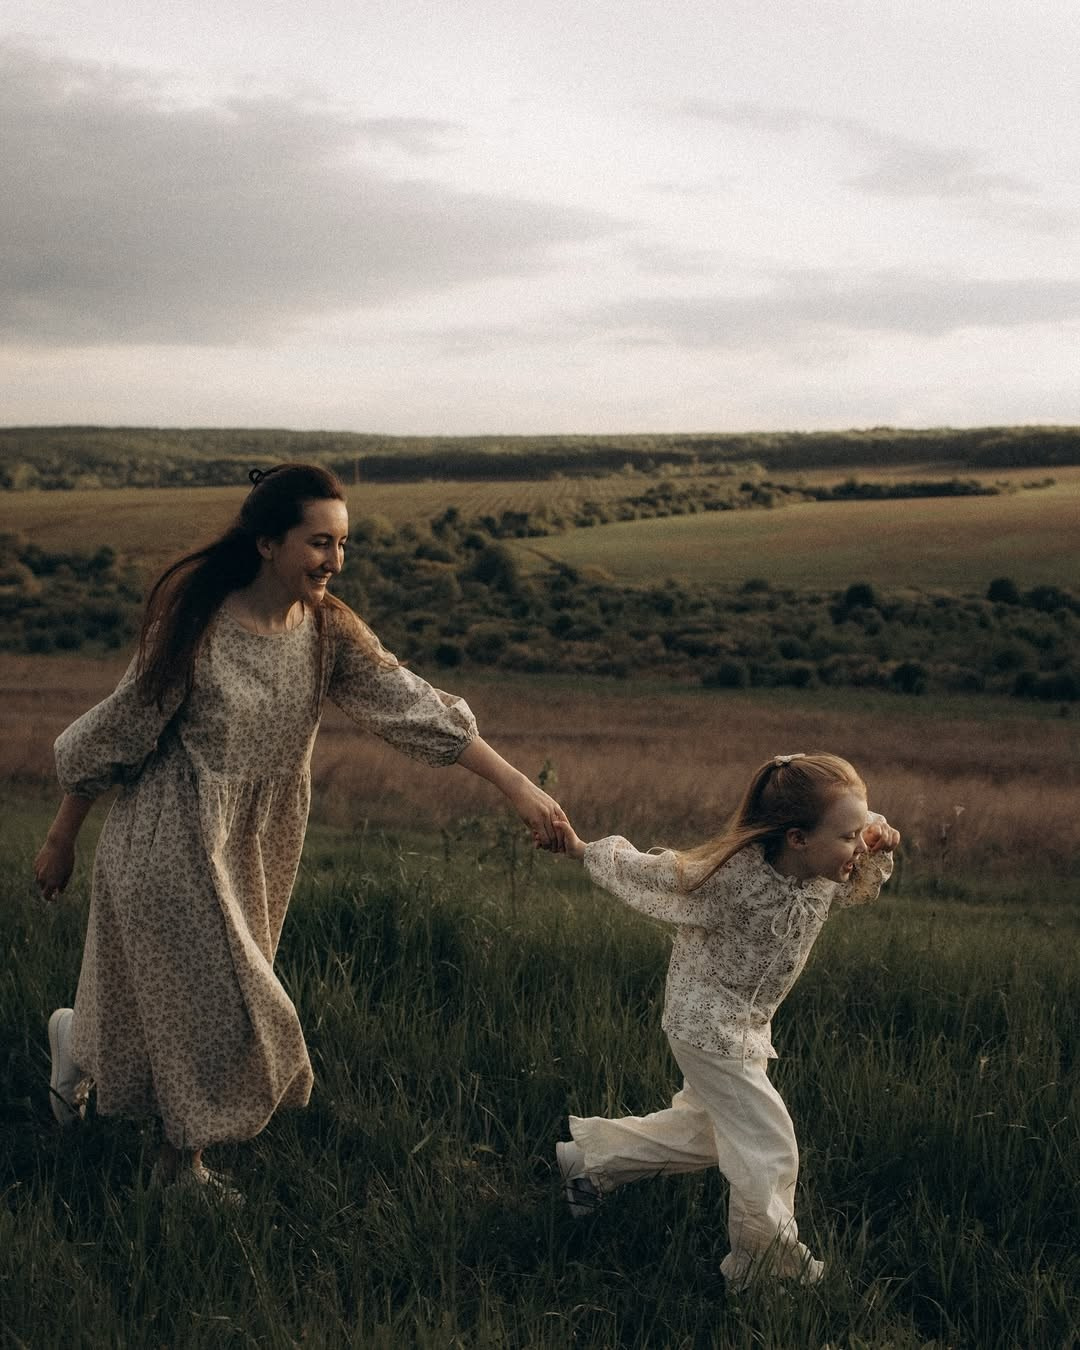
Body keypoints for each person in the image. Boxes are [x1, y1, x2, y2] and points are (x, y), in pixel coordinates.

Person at [34, 463, 566, 1196]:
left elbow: (414, 706)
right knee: (234, 1011)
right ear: (267, 544)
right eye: (319, 542)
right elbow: (113, 738)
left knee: (185, 1006)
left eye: (342, 544)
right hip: (168, 840)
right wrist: (61, 838)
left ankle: (75, 1041)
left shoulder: (327, 632)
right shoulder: (194, 630)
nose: (334, 560)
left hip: (255, 847)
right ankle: (179, 1169)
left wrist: (517, 785)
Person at [547, 752, 899, 1291]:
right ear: (797, 838)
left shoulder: (824, 868)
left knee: (710, 1136)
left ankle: (591, 1164)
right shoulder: (735, 879)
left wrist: (875, 836)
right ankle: (767, 1275)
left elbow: (857, 862)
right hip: (707, 1026)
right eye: (850, 837)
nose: (859, 848)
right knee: (768, 1146)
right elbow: (662, 875)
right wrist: (582, 849)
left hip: (746, 1027)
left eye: (860, 833)